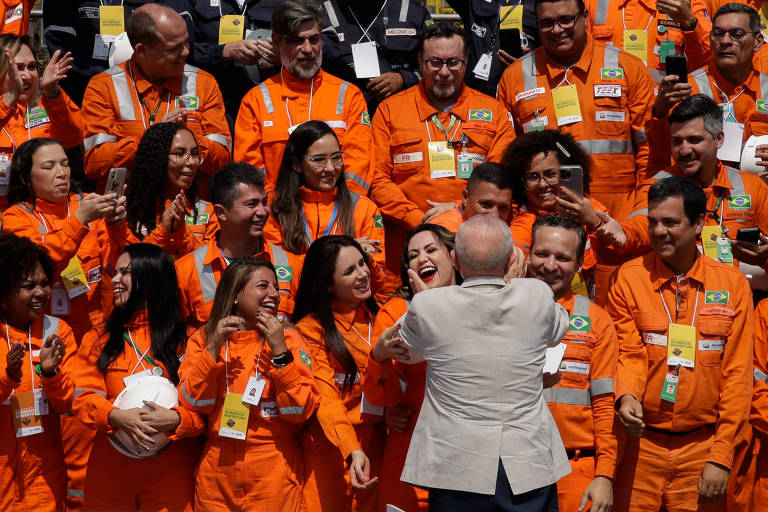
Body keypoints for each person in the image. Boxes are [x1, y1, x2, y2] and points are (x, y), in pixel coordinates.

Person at [390, 214, 570, 511]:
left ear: (455, 259)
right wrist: (514, 286)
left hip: (456, 468)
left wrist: (428, 303)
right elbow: (557, 331)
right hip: (527, 464)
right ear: (512, 258)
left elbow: (406, 348)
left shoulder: (428, 305)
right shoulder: (536, 294)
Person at [606, 176, 753, 512]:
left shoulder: (732, 285)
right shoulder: (628, 279)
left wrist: (722, 454)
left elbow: (737, 376)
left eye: (671, 222)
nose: (659, 232)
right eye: (654, 222)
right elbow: (629, 352)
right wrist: (627, 396)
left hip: (703, 447)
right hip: (641, 447)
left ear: (699, 223)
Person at [370, 20, 516, 289]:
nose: (445, 72)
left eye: (454, 62)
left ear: (466, 61)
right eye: (435, 62)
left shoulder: (494, 113)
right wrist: (422, 221)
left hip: (475, 255)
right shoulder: (390, 111)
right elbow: (377, 179)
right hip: (406, 251)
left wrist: (459, 211)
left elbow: (499, 181)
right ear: (420, 62)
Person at [178, 257, 319, 511]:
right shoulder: (204, 338)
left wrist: (280, 353)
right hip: (216, 470)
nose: (275, 294)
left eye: (276, 287)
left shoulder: (290, 338)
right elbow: (192, 402)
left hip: (273, 467)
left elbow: (300, 410)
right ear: (235, 294)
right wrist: (212, 350)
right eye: (263, 286)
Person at [71, 243, 202, 511]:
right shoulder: (99, 339)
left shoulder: (187, 341)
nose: (115, 280)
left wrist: (177, 419)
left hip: (170, 465)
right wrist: (115, 417)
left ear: (151, 277)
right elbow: (82, 395)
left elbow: (205, 408)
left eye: (125, 273)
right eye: (115, 272)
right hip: (111, 465)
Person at [498, 0, 655, 222]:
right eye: (547, 23)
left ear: (585, 18)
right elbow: (507, 160)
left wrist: (639, 216)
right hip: (544, 225)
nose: (557, 29)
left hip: (617, 219)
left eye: (565, 20)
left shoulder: (628, 68)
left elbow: (650, 151)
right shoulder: (514, 77)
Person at [361, 223, 460, 512]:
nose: (422, 259)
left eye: (431, 250)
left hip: (465, 449)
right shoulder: (394, 312)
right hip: (409, 447)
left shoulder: (478, 301)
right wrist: (378, 360)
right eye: (413, 255)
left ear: (454, 256)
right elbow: (381, 397)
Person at [81, 3, 230, 191]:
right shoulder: (103, 87)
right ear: (141, 50)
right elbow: (95, 163)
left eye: (186, 42)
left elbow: (223, 158)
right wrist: (153, 139)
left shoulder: (204, 83)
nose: (186, 52)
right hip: (127, 210)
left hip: (189, 211)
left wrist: (187, 140)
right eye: (174, 48)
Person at [610, 95, 768, 271]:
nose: (684, 151)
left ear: (719, 139)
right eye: (677, 141)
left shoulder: (752, 186)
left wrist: (763, 260)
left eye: (694, 140)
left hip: (739, 293)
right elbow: (640, 224)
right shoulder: (656, 186)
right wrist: (624, 234)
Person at [234, 0, 374, 196]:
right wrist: (281, 213)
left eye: (314, 40)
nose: (308, 49)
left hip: (336, 218)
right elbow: (249, 173)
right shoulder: (255, 101)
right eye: (297, 41)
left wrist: (334, 212)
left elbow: (359, 166)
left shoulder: (349, 96)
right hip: (277, 219)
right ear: (277, 43)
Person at [527, 214, 618, 512]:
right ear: (528, 254)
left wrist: (604, 474)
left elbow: (605, 403)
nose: (550, 265)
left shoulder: (597, 321)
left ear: (580, 265)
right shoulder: (499, 310)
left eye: (563, 258)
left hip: (575, 469)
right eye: (541, 254)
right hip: (516, 469)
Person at [293, 235, 383, 511]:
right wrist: (351, 450)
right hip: (331, 452)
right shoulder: (311, 329)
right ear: (327, 285)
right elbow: (326, 399)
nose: (363, 273)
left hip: (380, 446)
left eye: (362, 264)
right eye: (350, 270)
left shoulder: (382, 316)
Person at [0, 233, 76, 511]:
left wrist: (51, 374)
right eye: (29, 286)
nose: (41, 293)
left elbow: (69, 403)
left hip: (44, 472)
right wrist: (9, 376)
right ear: (4, 294)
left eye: (44, 284)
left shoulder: (58, 332)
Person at [175, 162, 303, 327]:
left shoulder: (290, 265)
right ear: (221, 212)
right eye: (251, 204)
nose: (263, 211)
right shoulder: (186, 271)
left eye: (264, 202)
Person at [650, 4, 768, 170]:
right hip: (701, 191)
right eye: (717, 34)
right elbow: (660, 153)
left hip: (758, 192)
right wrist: (659, 112)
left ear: (758, 42)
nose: (725, 41)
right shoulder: (686, 90)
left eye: (737, 34)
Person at [264, 120, 385, 280]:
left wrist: (366, 260)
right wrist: (341, 255)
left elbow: (379, 281)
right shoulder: (274, 206)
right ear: (296, 164)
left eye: (336, 158)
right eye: (319, 160)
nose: (330, 168)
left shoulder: (364, 208)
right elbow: (276, 268)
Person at [503, 129, 610, 298]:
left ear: (567, 173)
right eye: (532, 177)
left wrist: (595, 222)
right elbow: (519, 239)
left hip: (589, 303)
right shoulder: (520, 214)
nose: (542, 184)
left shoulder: (592, 208)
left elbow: (615, 252)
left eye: (550, 174)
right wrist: (514, 256)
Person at [42, 1, 193, 106]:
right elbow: (61, 45)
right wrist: (111, 78)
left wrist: (133, 74)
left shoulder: (203, 81)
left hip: (148, 84)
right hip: (83, 87)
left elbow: (177, 28)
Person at [0, 35, 82, 209]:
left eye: (32, 67)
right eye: (17, 68)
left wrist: (52, 92)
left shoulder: (50, 103)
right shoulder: (3, 108)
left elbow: (74, 139)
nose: (26, 75)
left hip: (46, 213)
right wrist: (10, 98)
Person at [319, 0, 432, 112]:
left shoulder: (415, 12)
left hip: (403, 111)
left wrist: (403, 79)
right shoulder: (324, 13)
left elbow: (437, 64)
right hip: (346, 111)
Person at [183, 0, 282, 127]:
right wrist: (223, 51)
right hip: (214, 100)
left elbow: (302, 40)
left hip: (269, 98)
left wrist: (283, 55)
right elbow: (182, 49)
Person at [125, 121, 216, 257]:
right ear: (157, 159)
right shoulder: (129, 212)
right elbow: (129, 269)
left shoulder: (208, 212)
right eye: (179, 153)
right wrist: (164, 230)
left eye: (195, 153)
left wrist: (181, 232)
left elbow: (207, 270)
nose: (191, 162)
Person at [585, 0, 711, 84]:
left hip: (663, 113)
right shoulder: (592, 3)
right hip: (610, 111)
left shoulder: (685, 3)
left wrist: (690, 23)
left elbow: (707, 64)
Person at [445, 0, 541, 96]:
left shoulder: (538, 5)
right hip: (479, 95)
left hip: (524, 89)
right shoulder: (472, 4)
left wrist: (532, 60)